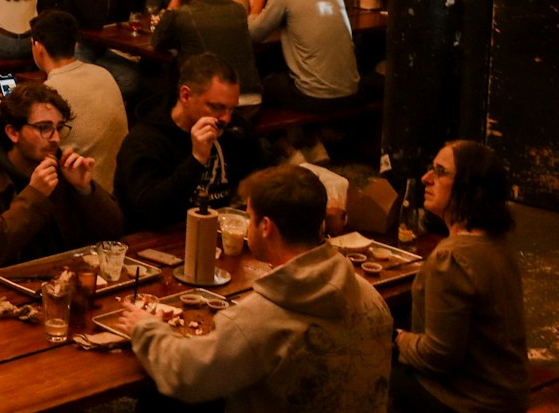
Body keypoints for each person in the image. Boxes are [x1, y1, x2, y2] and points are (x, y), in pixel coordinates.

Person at [122, 165, 393, 413]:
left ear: (265, 227)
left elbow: (185, 375)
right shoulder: (371, 296)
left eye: (249, 217)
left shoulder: (258, 321)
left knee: (161, 404)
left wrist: (145, 328)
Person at [392, 141, 528, 413]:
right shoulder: (497, 242)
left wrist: (397, 339)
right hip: (508, 393)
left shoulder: (452, 258)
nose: (426, 178)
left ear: (470, 186)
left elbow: (438, 357)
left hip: (470, 403)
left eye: (440, 172)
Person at [0, 80, 124, 275]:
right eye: (44, 128)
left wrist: (85, 190)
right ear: (13, 133)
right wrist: (35, 195)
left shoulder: (63, 169)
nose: (56, 138)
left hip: (56, 276)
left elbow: (114, 233)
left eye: (59, 128)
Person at [114, 54, 265, 231]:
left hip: (214, 231)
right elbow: (152, 211)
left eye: (232, 108)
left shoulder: (235, 129)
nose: (226, 118)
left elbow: (257, 177)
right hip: (159, 236)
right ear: (186, 96)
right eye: (216, 107)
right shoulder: (144, 140)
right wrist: (197, 159)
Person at [249, 0, 370, 113]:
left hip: (316, 98)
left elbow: (253, 34)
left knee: (264, 83)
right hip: (352, 93)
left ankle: (292, 129)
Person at [29, 11, 127, 193]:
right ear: (75, 44)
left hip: (85, 189)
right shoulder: (103, 74)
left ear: (38, 47)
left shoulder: (47, 94)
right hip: (120, 184)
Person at [153, 0, 262, 111]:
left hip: (213, 106)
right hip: (252, 102)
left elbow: (157, 41)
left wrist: (172, 6)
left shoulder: (182, 15)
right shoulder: (238, 9)